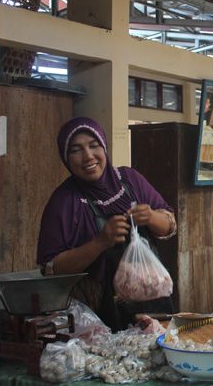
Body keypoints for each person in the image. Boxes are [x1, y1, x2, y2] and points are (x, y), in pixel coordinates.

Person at [37, 117, 177, 332]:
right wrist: (101, 242)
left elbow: (169, 226)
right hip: (101, 315)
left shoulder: (131, 180)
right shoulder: (65, 202)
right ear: (66, 158)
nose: (88, 156)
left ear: (104, 147)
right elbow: (52, 269)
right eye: (76, 150)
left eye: (94, 146)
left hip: (154, 299)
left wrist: (150, 217)